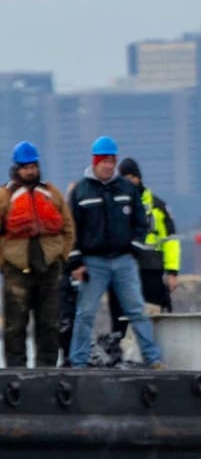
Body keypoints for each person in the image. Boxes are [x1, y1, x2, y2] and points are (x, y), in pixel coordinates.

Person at [67, 135, 163, 369]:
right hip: (93, 263)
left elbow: (142, 224)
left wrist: (134, 250)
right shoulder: (81, 191)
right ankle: (77, 361)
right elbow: (71, 231)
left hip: (124, 261)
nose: (108, 166)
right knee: (85, 314)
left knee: (137, 311)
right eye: (104, 161)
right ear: (95, 161)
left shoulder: (127, 189)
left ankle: (153, 359)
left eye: (112, 161)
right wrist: (76, 262)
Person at [2, 141, 76, 367]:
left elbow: (68, 227)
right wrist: (4, 263)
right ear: (17, 168)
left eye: (33, 166)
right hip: (17, 271)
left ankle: (48, 369)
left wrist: (62, 256)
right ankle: (16, 370)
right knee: (15, 325)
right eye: (25, 167)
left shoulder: (51, 193)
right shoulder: (5, 196)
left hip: (49, 269)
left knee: (50, 323)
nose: (30, 170)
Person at [108, 157, 180, 344]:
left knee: (153, 314)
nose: (130, 181)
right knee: (120, 318)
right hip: (121, 269)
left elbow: (171, 241)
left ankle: (153, 354)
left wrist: (172, 272)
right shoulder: (113, 203)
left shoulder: (158, 206)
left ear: (139, 178)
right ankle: (120, 354)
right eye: (125, 177)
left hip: (151, 269)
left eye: (133, 177)